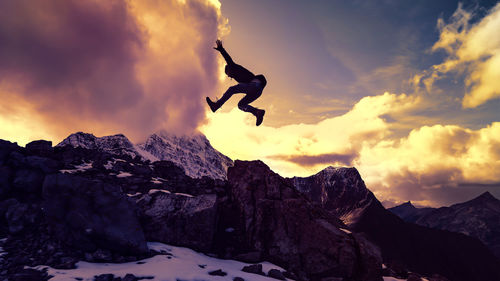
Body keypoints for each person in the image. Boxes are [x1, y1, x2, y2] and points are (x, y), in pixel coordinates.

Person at [206, 39, 267, 126]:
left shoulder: (234, 67)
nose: (229, 76)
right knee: (241, 105)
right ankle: (257, 112)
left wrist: (221, 49)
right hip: (257, 91)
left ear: (229, 69)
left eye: (228, 74)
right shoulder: (239, 77)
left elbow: (228, 59)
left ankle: (216, 105)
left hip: (255, 86)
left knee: (232, 89)